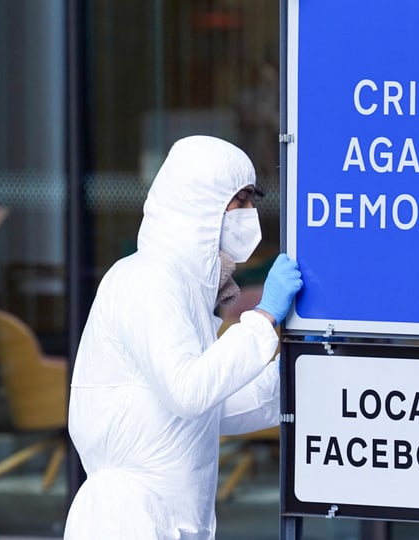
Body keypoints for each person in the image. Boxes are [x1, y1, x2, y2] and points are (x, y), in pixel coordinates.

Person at [63, 135, 303, 539]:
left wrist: (288, 378)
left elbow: (211, 409)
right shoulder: (146, 279)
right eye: (239, 201)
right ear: (198, 203)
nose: (249, 214)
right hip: (126, 520)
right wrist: (262, 319)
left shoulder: (187, 293)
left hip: (171, 519)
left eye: (251, 202)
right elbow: (188, 391)